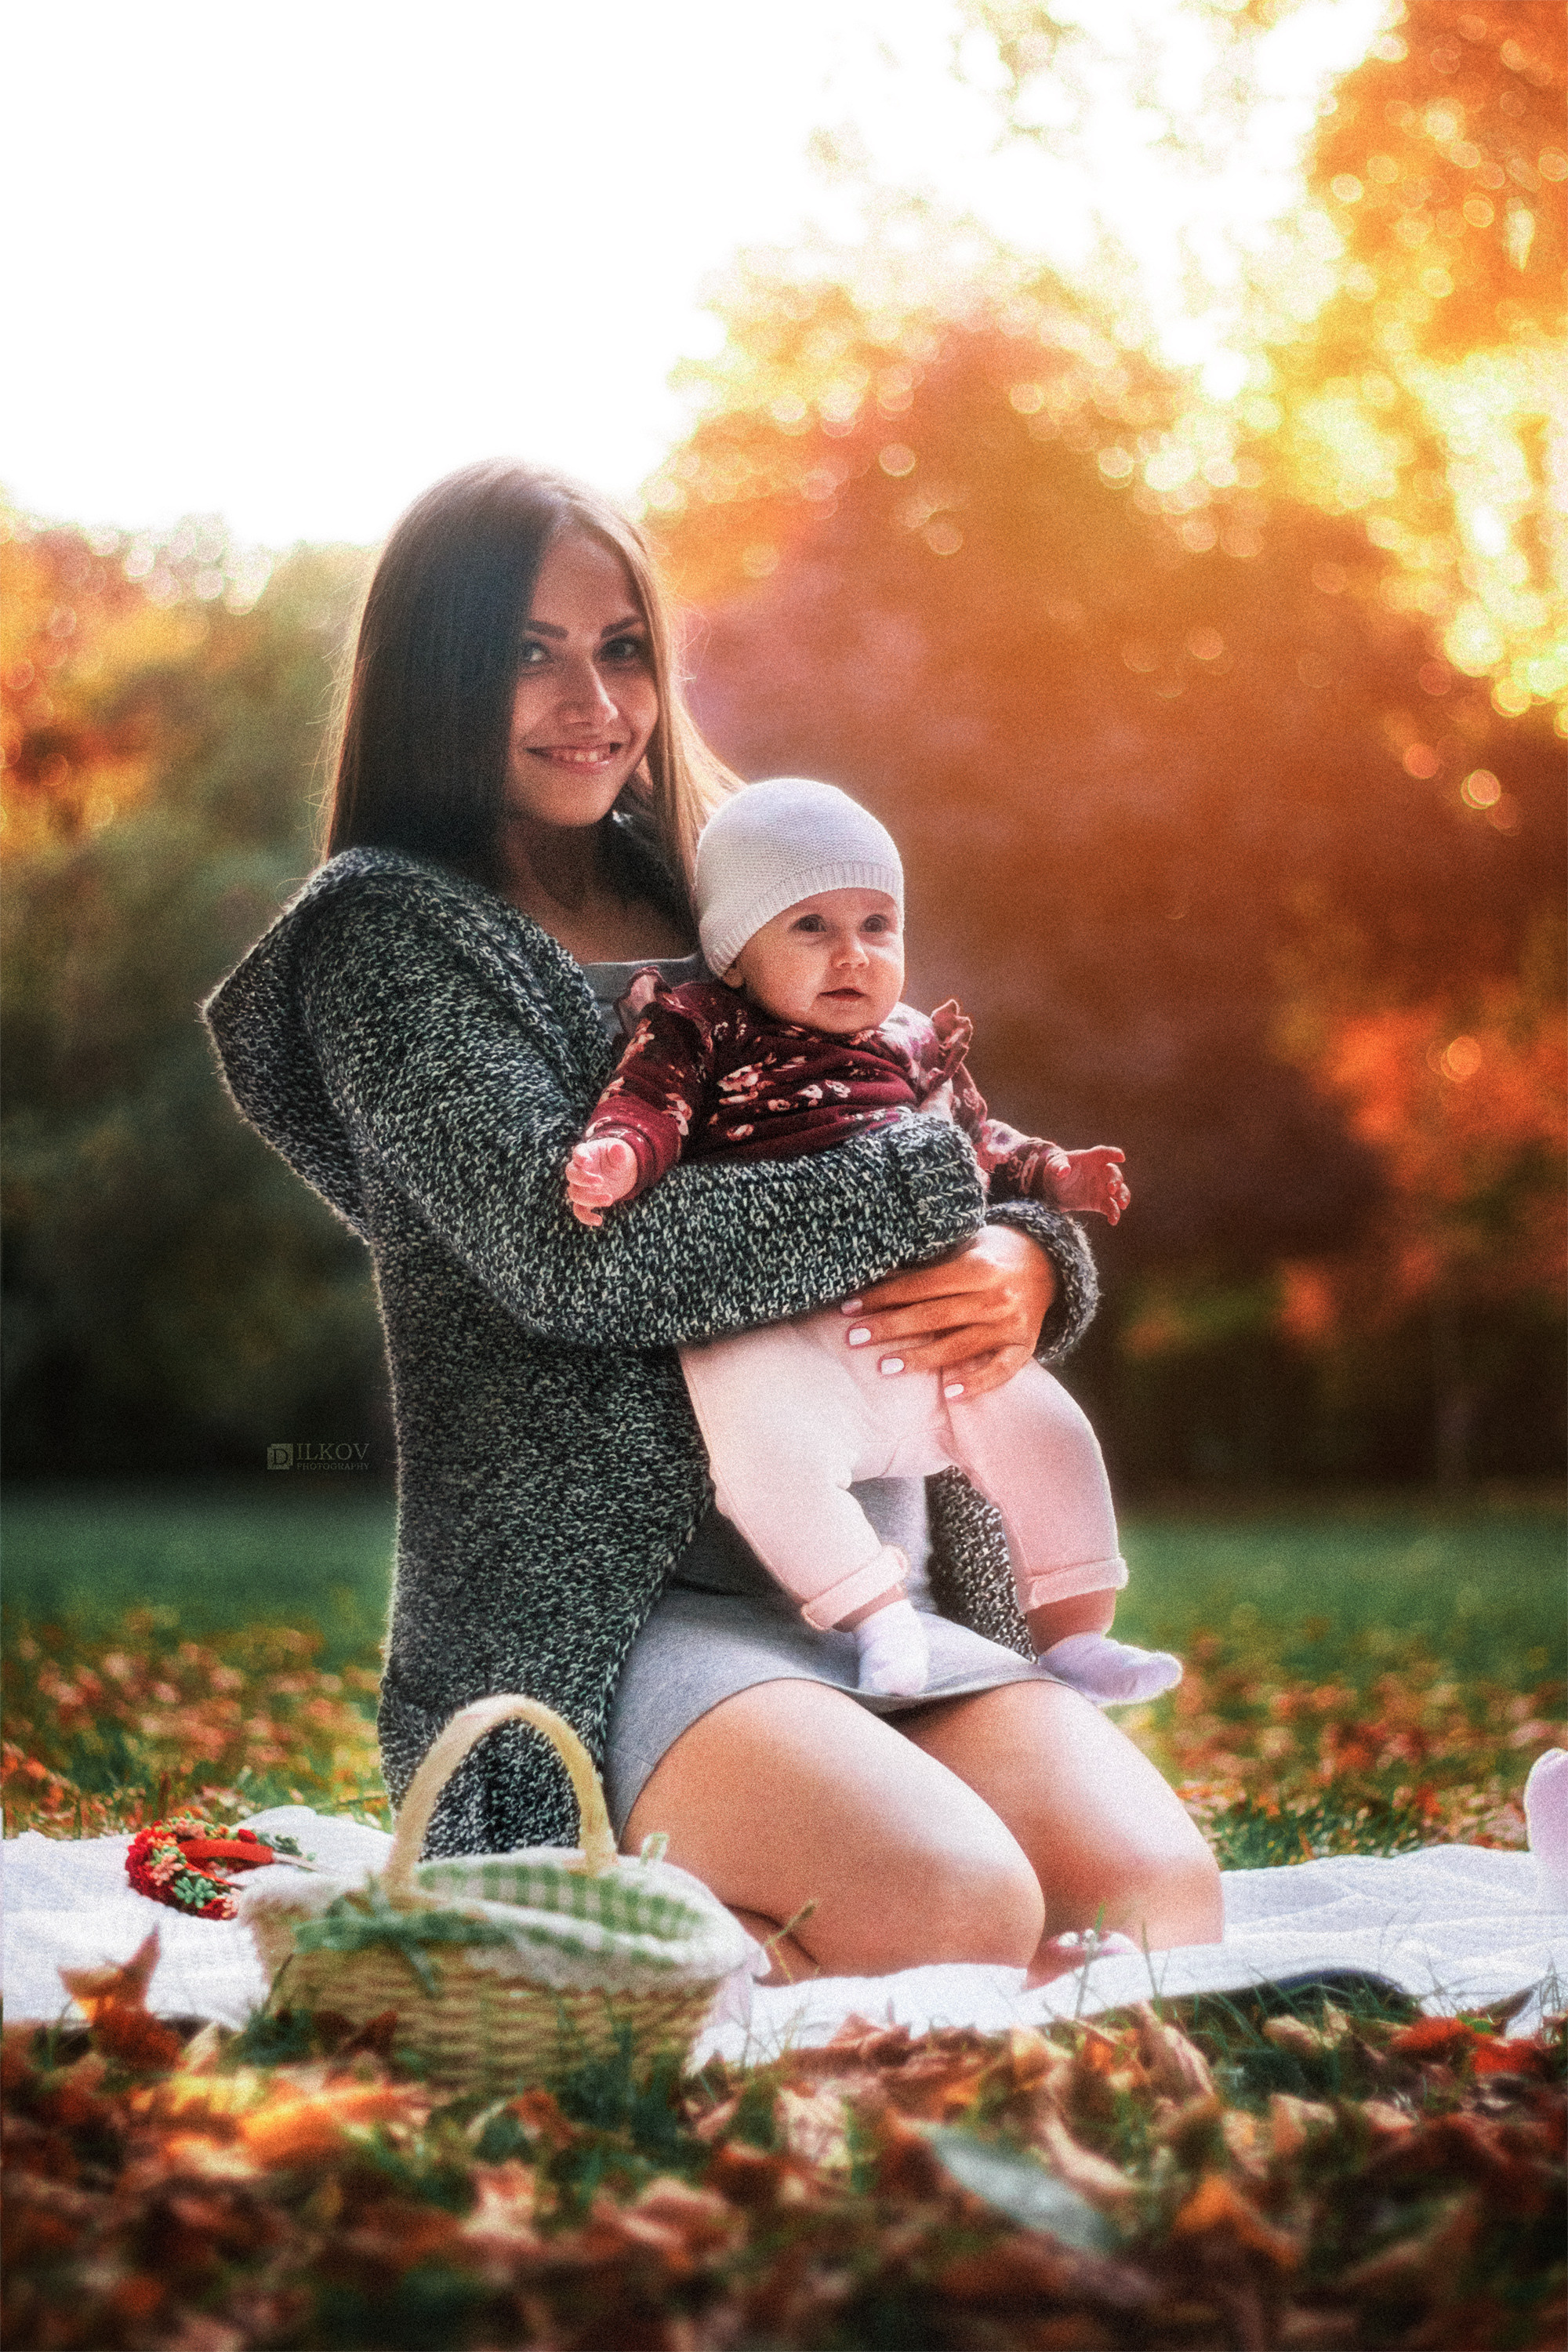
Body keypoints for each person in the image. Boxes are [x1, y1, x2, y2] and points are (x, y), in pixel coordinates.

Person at [203, 459, 1221, 1983]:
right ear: (433, 672)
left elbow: (949, 1133)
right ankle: (539, 1952)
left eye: (620, 648)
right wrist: (924, 1200)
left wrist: (1021, 1266)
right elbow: (574, 1260)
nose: (589, 699)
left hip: (881, 1579)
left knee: (1153, 1901)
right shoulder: (387, 939)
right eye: (526, 653)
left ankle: (834, 1981)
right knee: (955, 1913)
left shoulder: (737, 873)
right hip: (613, 1627)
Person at [567, 776, 1182, 1711]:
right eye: (808, 927)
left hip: (926, 1322)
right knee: (765, 1464)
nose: (850, 952)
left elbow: (981, 1141)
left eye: (876, 924)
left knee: (1048, 1433)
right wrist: (618, 1156)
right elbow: (648, 1105)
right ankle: (875, 1615)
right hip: (777, 1330)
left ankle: (1075, 1639)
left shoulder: (909, 1042)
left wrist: (1058, 1178)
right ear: (734, 952)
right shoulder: (707, 1023)